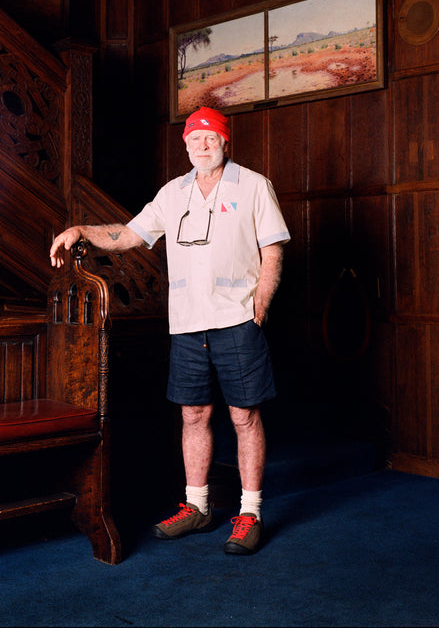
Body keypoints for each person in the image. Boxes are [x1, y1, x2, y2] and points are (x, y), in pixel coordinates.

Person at [49, 106, 290, 555]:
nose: (203, 145)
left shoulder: (254, 185)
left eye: (211, 138)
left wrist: (261, 303)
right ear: (185, 144)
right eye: (195, 139)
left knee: (244, 416)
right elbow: (130, 235)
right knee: (193, 415)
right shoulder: (173, 193)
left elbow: (272, 249)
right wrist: (80, 230)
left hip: (237, 320)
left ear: (225, 141)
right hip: (186, 324)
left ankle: (250, 512)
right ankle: (198, 506)